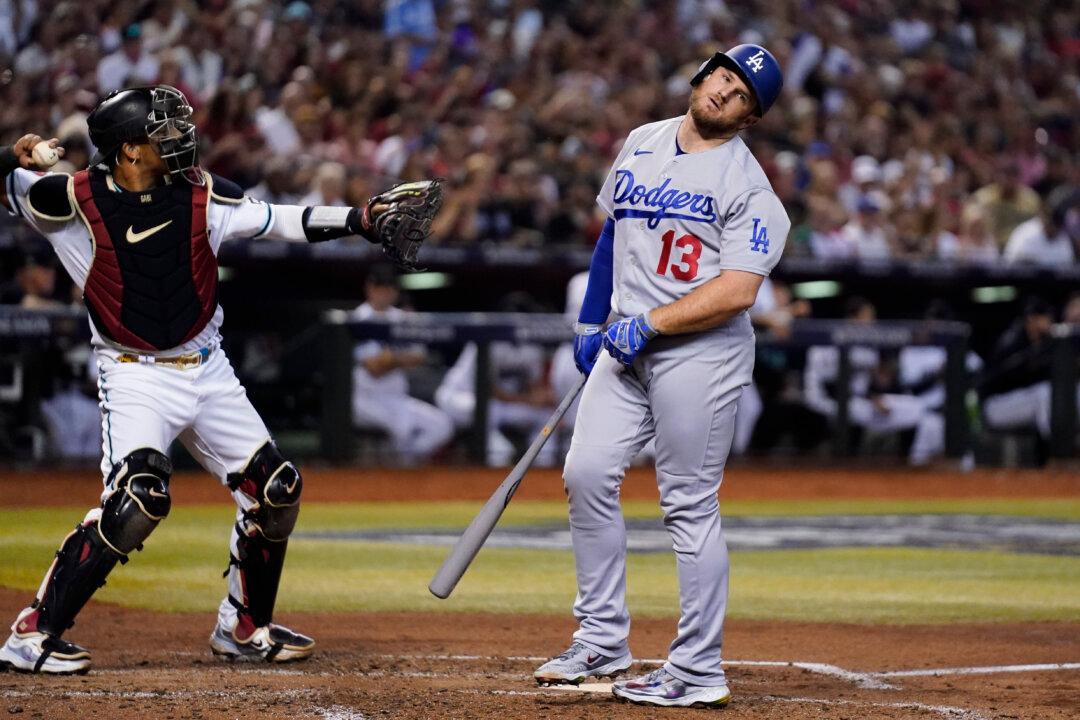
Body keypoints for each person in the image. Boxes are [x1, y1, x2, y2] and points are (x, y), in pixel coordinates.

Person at [0, 85, 418, 674]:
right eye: (160, 132)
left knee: (277, 489)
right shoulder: (68, 198)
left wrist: (360, 219)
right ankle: (34, 632)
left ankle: (244, 627)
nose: (178, 140)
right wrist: (10, 157)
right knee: (137, 501)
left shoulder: (200, 195)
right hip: (133, 372)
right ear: (127, 151)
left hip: (207, 364)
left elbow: (280, 220)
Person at [532, 45, 789, 707]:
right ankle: (600, 639)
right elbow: (610, 235)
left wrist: (650, 324)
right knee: (585, 473)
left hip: (700, 356)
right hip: (624, 348)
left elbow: (737, 291)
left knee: (688, 507)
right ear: (702, 76)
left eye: (741, 94)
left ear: (750, 117)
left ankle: (699, 670)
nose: (724, 92)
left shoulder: (749, 187)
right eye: (722, 77)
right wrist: (591, 322)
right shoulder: (642, 140)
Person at [350, 264, 453, 464]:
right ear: (370, 287)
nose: (384, 293)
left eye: (389, 288)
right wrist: (400, 358)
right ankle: (399, 476)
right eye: (380, 287)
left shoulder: (401, 317)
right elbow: (374, 368)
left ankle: (402, 467)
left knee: (443, 425)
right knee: (403, 427)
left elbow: (419, 357)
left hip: (396, 397)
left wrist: (390, 358)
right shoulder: (359, 318)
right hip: (365, 400)